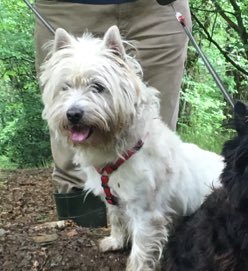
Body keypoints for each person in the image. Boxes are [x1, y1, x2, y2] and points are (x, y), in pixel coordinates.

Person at [34, 0, 191, 227]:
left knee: (156, 146)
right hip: (65, 6)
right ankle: (82, 238)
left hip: (158, 9)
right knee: (74, 169)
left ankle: (163, 239)